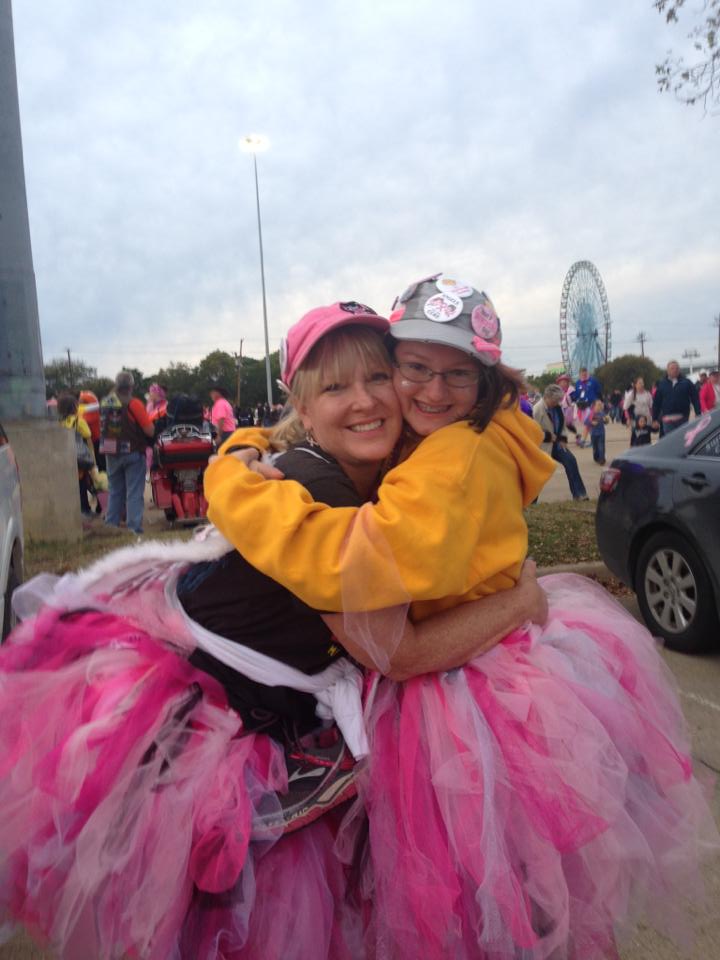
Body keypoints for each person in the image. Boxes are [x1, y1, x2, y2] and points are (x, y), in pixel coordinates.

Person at [0, 302, 548, 960]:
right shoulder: (319, 495)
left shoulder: (368, 475)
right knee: (217, 916)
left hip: (270, 708)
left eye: (378, 378)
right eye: (335, 387)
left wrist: (241, 452)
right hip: (196, 722)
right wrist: (521, 602)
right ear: (302, 408)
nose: (366, 401)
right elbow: (400, 654)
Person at [206, 276, 717, 959]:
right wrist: (240, 446)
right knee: (508, 891)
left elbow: (361, 569)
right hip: (494, 669)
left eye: (454, 375)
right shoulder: (446, 434)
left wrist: (230, 486)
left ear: (486, 381)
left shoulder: (449, 456)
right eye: (412, 369)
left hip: (465, 697)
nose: (430, 391)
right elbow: (306, 426)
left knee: (481, 893)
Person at [101, 370, 155, 535]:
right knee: (133, 492)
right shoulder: (134, 404)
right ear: (131, 386)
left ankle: (111, 526)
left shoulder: (105, 402)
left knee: (115, 490)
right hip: (132, 452)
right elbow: (149, 431)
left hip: (110, 451)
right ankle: (133, 528)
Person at [533, 383, 589, 499]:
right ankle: (531, 500)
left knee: (571, 461)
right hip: (542, 446)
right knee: (537, 474)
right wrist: (547, 436)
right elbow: (533, 431)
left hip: (557, 445)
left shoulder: (558, 408)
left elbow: (562, 426)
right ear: (547, 397)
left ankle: (580, 494)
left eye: (559, 400)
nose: (557, 402)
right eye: (555, 400)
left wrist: (563, 439)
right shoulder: (537, 409)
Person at [57, 391, 95, 516]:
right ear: (74, 407)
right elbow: (88, 437)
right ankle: (85, 509)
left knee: (70, 486)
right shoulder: (78, 421)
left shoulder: (59, 423)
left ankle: (73, 511)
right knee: (82, 484)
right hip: (79, 459)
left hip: (65, 458)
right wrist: (92, 458)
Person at [652, 359, 701, 435]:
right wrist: (654, 419)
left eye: (677, 368)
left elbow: (695, 398)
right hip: (667, 419)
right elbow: (656, 403)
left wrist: (698, 413)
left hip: (682, 418)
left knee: (682, 440)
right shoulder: (662, 384)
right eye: (672, 368)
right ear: (667, 370)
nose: (675, 370)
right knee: (670, 441)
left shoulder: (686, 382)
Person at [570, 366, 602, 446]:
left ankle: (584, 440)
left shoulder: (593, 381)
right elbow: (577, 394)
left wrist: (599, 401)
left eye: (585, 373)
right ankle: (593, 440)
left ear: (587, 373)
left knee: (588, 422)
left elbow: (599, 391)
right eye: (582, 374)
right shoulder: (578, 383)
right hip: (582, 407)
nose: (584, 375)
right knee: (588, 423)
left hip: (592, 405)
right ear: (580, 374)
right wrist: (571, 397)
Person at [588, 397, 608, 465]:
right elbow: (586, 422)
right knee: (595, 447)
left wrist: (606, 420)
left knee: (601, 446)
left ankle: (602, 459)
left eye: (600, 405)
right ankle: (596, 457)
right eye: (598, 405)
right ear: (594, 406)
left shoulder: (602, 413)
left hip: (601, 433)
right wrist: (592, 423)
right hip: (593, 434)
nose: (599, 406)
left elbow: (606, 421)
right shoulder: (591, 413)